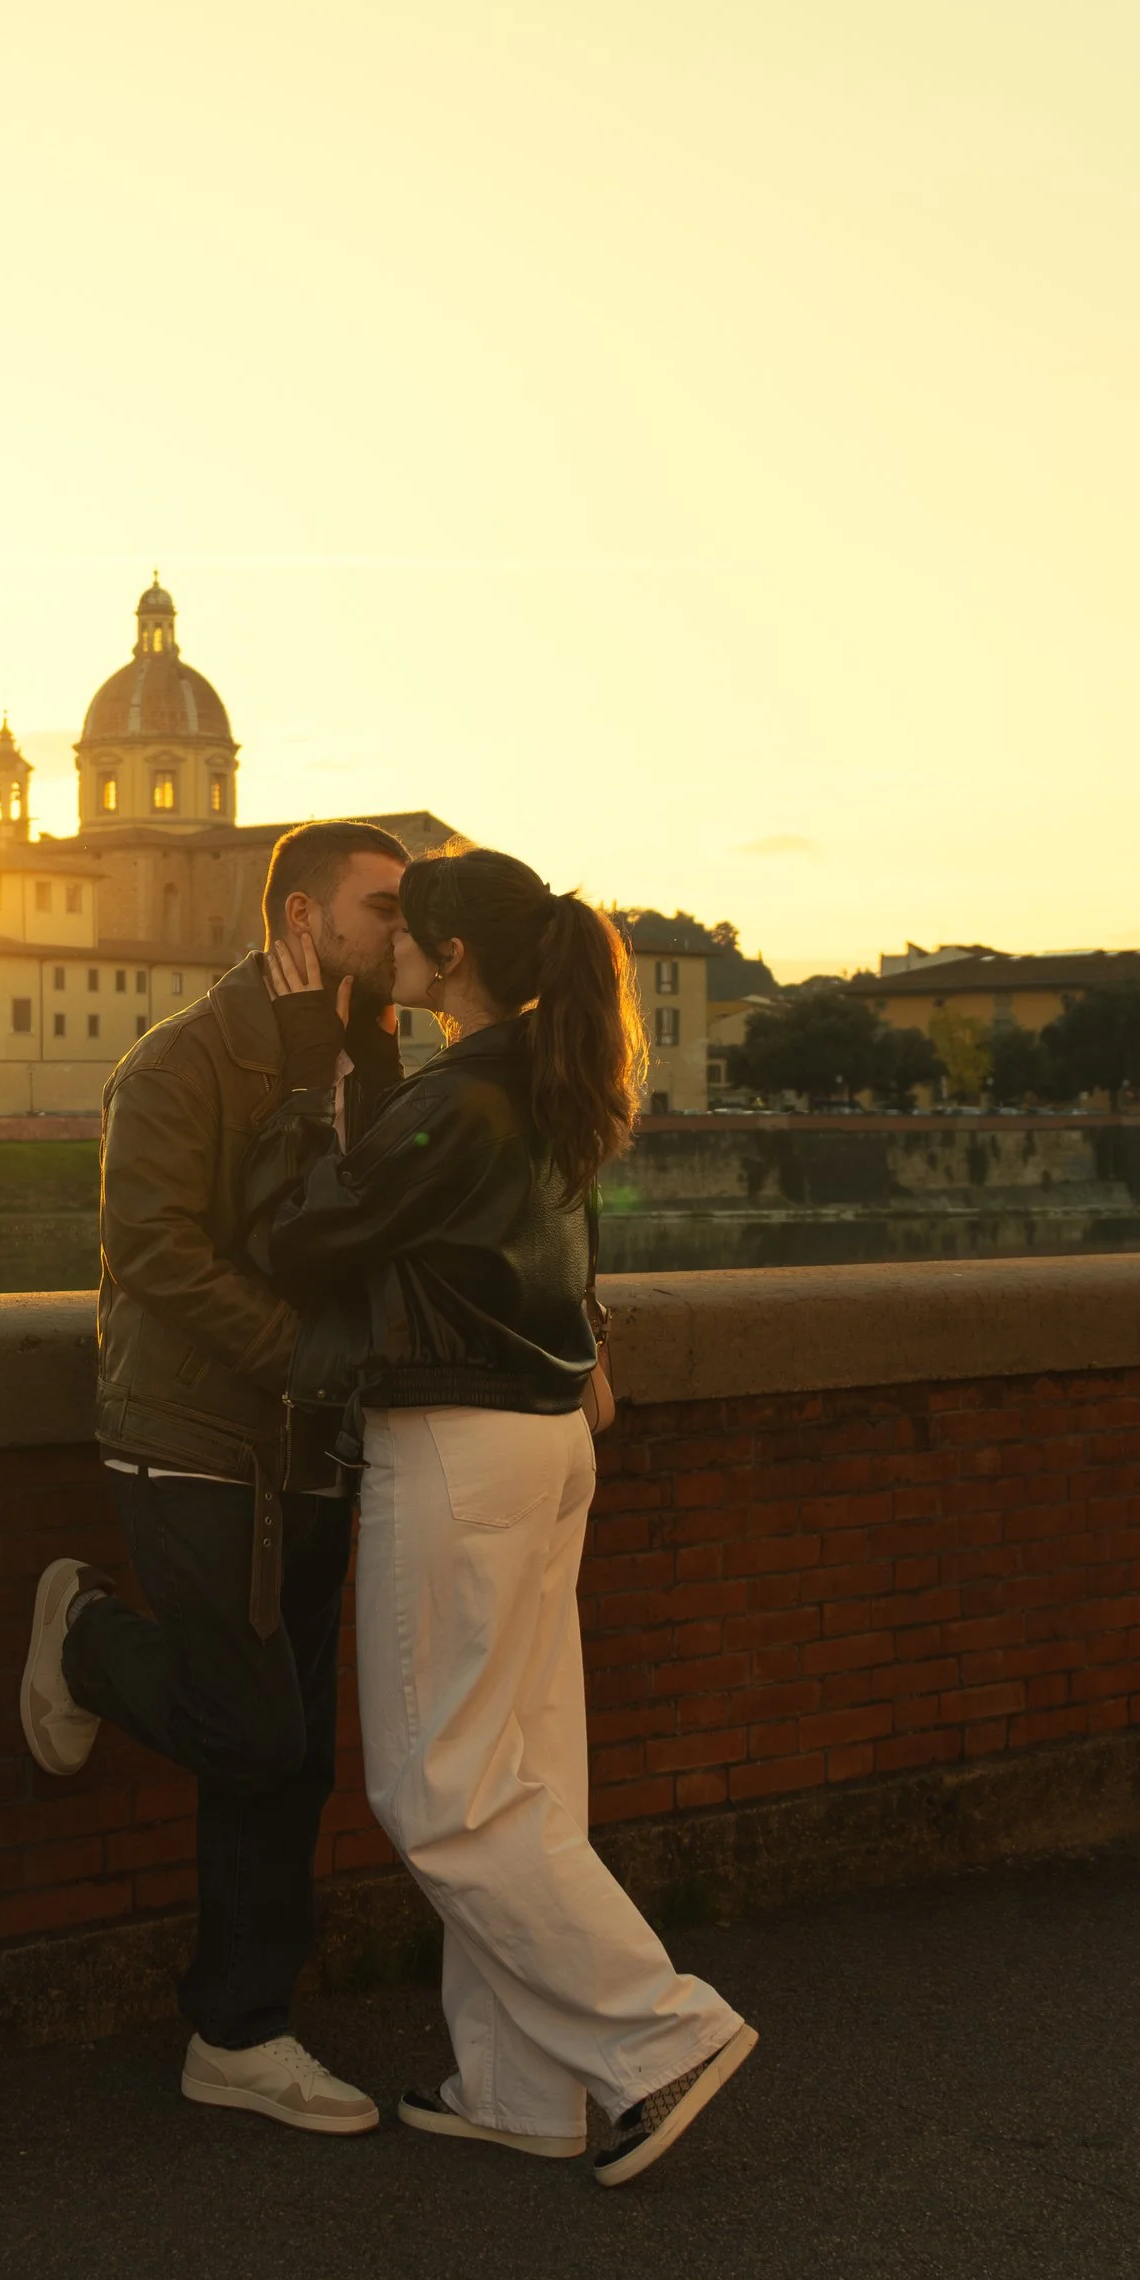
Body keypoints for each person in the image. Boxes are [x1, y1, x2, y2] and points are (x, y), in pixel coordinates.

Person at [248, 846, 758, 2188]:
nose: (394, 955)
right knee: (524, 1775)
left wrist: (309, 1074)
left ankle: (662, 2037)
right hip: (543, 1447)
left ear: (450, 956)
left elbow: (301, 1237)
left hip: (457, 1452)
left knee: (441, 1791)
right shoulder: (541, 1083)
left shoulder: (453, 1101)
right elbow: (551, 1255)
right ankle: (519, 2088)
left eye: (409, 935)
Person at [18, 819, 414, 2135]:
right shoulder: (182, 1061)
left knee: (293, 1761)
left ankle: (242, 2031)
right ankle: (84, 1639)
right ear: (304, 921)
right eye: (383, 908)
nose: (403, 934)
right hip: (188, 1437)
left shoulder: (367, 1060)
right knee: (259, 1734)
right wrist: (302, 1356)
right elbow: (152, 1251)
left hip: (310, 1447)